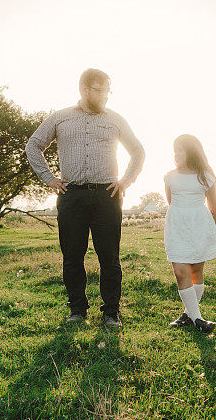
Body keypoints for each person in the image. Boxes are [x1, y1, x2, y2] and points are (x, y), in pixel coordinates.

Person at [25, 68, 145, 328]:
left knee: (110, 258)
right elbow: (33, 145)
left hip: (107, 196)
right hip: (72, 196)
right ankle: (77, 310)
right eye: (100, 91)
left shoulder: (115, 119)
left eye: (107, 91)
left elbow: (137, 151)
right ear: (84, 89)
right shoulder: (60, 118)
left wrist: (125, 181)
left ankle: (111, 312)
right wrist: (48, 178)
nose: (105, 96)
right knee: (72, 256)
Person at [164, 135, 216, 333]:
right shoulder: (170, 176)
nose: (176, 154)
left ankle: (188, 315)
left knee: (196, 271)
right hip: (178, 226)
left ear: (192, 151)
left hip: (200, 226)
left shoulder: (206, 176)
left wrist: (210, 233)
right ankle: (198, 319)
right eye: (175, 150)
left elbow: (214, 208)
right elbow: (172, 202)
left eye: (181, 150)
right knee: (180, 271)